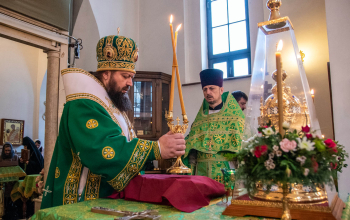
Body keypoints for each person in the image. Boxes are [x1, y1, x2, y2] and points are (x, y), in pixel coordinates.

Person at [41, 35, 185, 209]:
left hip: (106, 199)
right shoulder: (83, 104)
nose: (130, 83)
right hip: (80, 201)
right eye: (125, 76)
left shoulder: (110, 106)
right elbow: (102, 148)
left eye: (132, 76)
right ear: (107, 74)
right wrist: (157, 148)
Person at [183, 69, 245, 183]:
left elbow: (242, 149)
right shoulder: (199, 121)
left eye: (212, 88)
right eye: (205, 89)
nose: (208, 92)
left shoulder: (235, 118)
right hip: (201, 175)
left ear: (221, 90)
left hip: (225, 172)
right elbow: (192, 149)